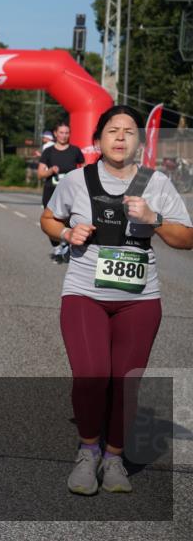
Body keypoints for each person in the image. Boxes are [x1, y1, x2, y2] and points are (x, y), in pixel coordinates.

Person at [40, 104, 193, 495]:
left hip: (140, 300)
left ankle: (113, 457)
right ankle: (88, 450)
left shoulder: (156, 183)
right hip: (84, 294)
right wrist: (66, 234)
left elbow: (186, 239)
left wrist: (155, 220)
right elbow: (49, 219)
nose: (120, 137)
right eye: (112, 130)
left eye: (129, 131)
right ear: (97, 140)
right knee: (91, 376)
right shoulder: (76, 180)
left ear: (140, 142)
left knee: (126, 383)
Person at [38, 122, 85, 263]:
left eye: (66, 133)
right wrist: (50, 171)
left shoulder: (75, 151)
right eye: (61, 133)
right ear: (55, 134)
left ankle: (66, 245)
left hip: (71, 193)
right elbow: (40, 174)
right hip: (51, 191)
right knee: (51, 220)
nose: (64, 136)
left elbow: (84, 170)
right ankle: (58, 247)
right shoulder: (48, 151)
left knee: (70, 221)